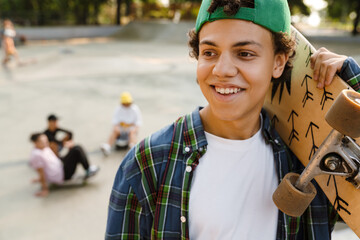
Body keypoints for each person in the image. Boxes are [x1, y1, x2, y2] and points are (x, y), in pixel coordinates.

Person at [105, 0, 360, 239]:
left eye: (245, 53)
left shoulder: (310, 157)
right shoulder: (148, 164)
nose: (222, 70)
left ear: (278, 63)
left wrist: (352, 82)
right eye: (209, 52)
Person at [29, 133, 100, 197]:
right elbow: (41, 171)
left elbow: (51, 163)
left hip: (60, 165)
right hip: (61, 174)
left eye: (46, 140)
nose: (46, 142)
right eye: (43, 141)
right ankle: (88, 169)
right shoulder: (36, 155)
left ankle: (88, 168)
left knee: (75, 148)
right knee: (77, 149)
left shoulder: (44, 148)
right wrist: (45, 189)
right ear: (36, 143)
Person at [100, 92, 142, 156]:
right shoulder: (118, 109)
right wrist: (116, 128)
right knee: (115, 131)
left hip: (131, 128)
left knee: (132, 132)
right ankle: (107, 146)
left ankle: (132, 147)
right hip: (121, 128)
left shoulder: (135, 109)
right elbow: (115, 122)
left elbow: (138, 123)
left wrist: (134, 129)